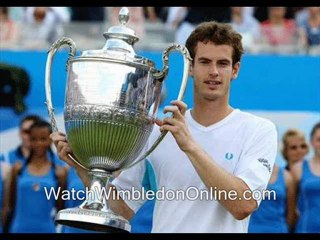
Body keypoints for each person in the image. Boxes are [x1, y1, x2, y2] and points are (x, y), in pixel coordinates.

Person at [51, 21, 278, 233]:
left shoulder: (258, 130)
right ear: (190, 67)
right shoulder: (159, 133)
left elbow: (243, 204)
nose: (214, 72)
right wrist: (82, 168)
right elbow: (121, 210)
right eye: (205, 62)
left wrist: (190, 145)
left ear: (235, 70)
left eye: (223, 63)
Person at [4, 120, 66, 233]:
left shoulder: (59, 173)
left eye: (43, 139)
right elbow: (10, 205)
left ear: (50, 141)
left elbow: (60, 208)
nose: (38, 143)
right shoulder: (18, 169)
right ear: (29, 140)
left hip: (46, 229)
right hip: (19, 229)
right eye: (34, 139)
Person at [248, 164, 297, 233]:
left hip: (278, 229)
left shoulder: (287, 177)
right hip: (252, 228)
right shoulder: (248, 173)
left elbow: (291, 211)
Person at [291, 122, 320, 233]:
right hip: (306, 228)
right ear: (312, 142)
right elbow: (291, 207)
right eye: (319, 139)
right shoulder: (298, 169)